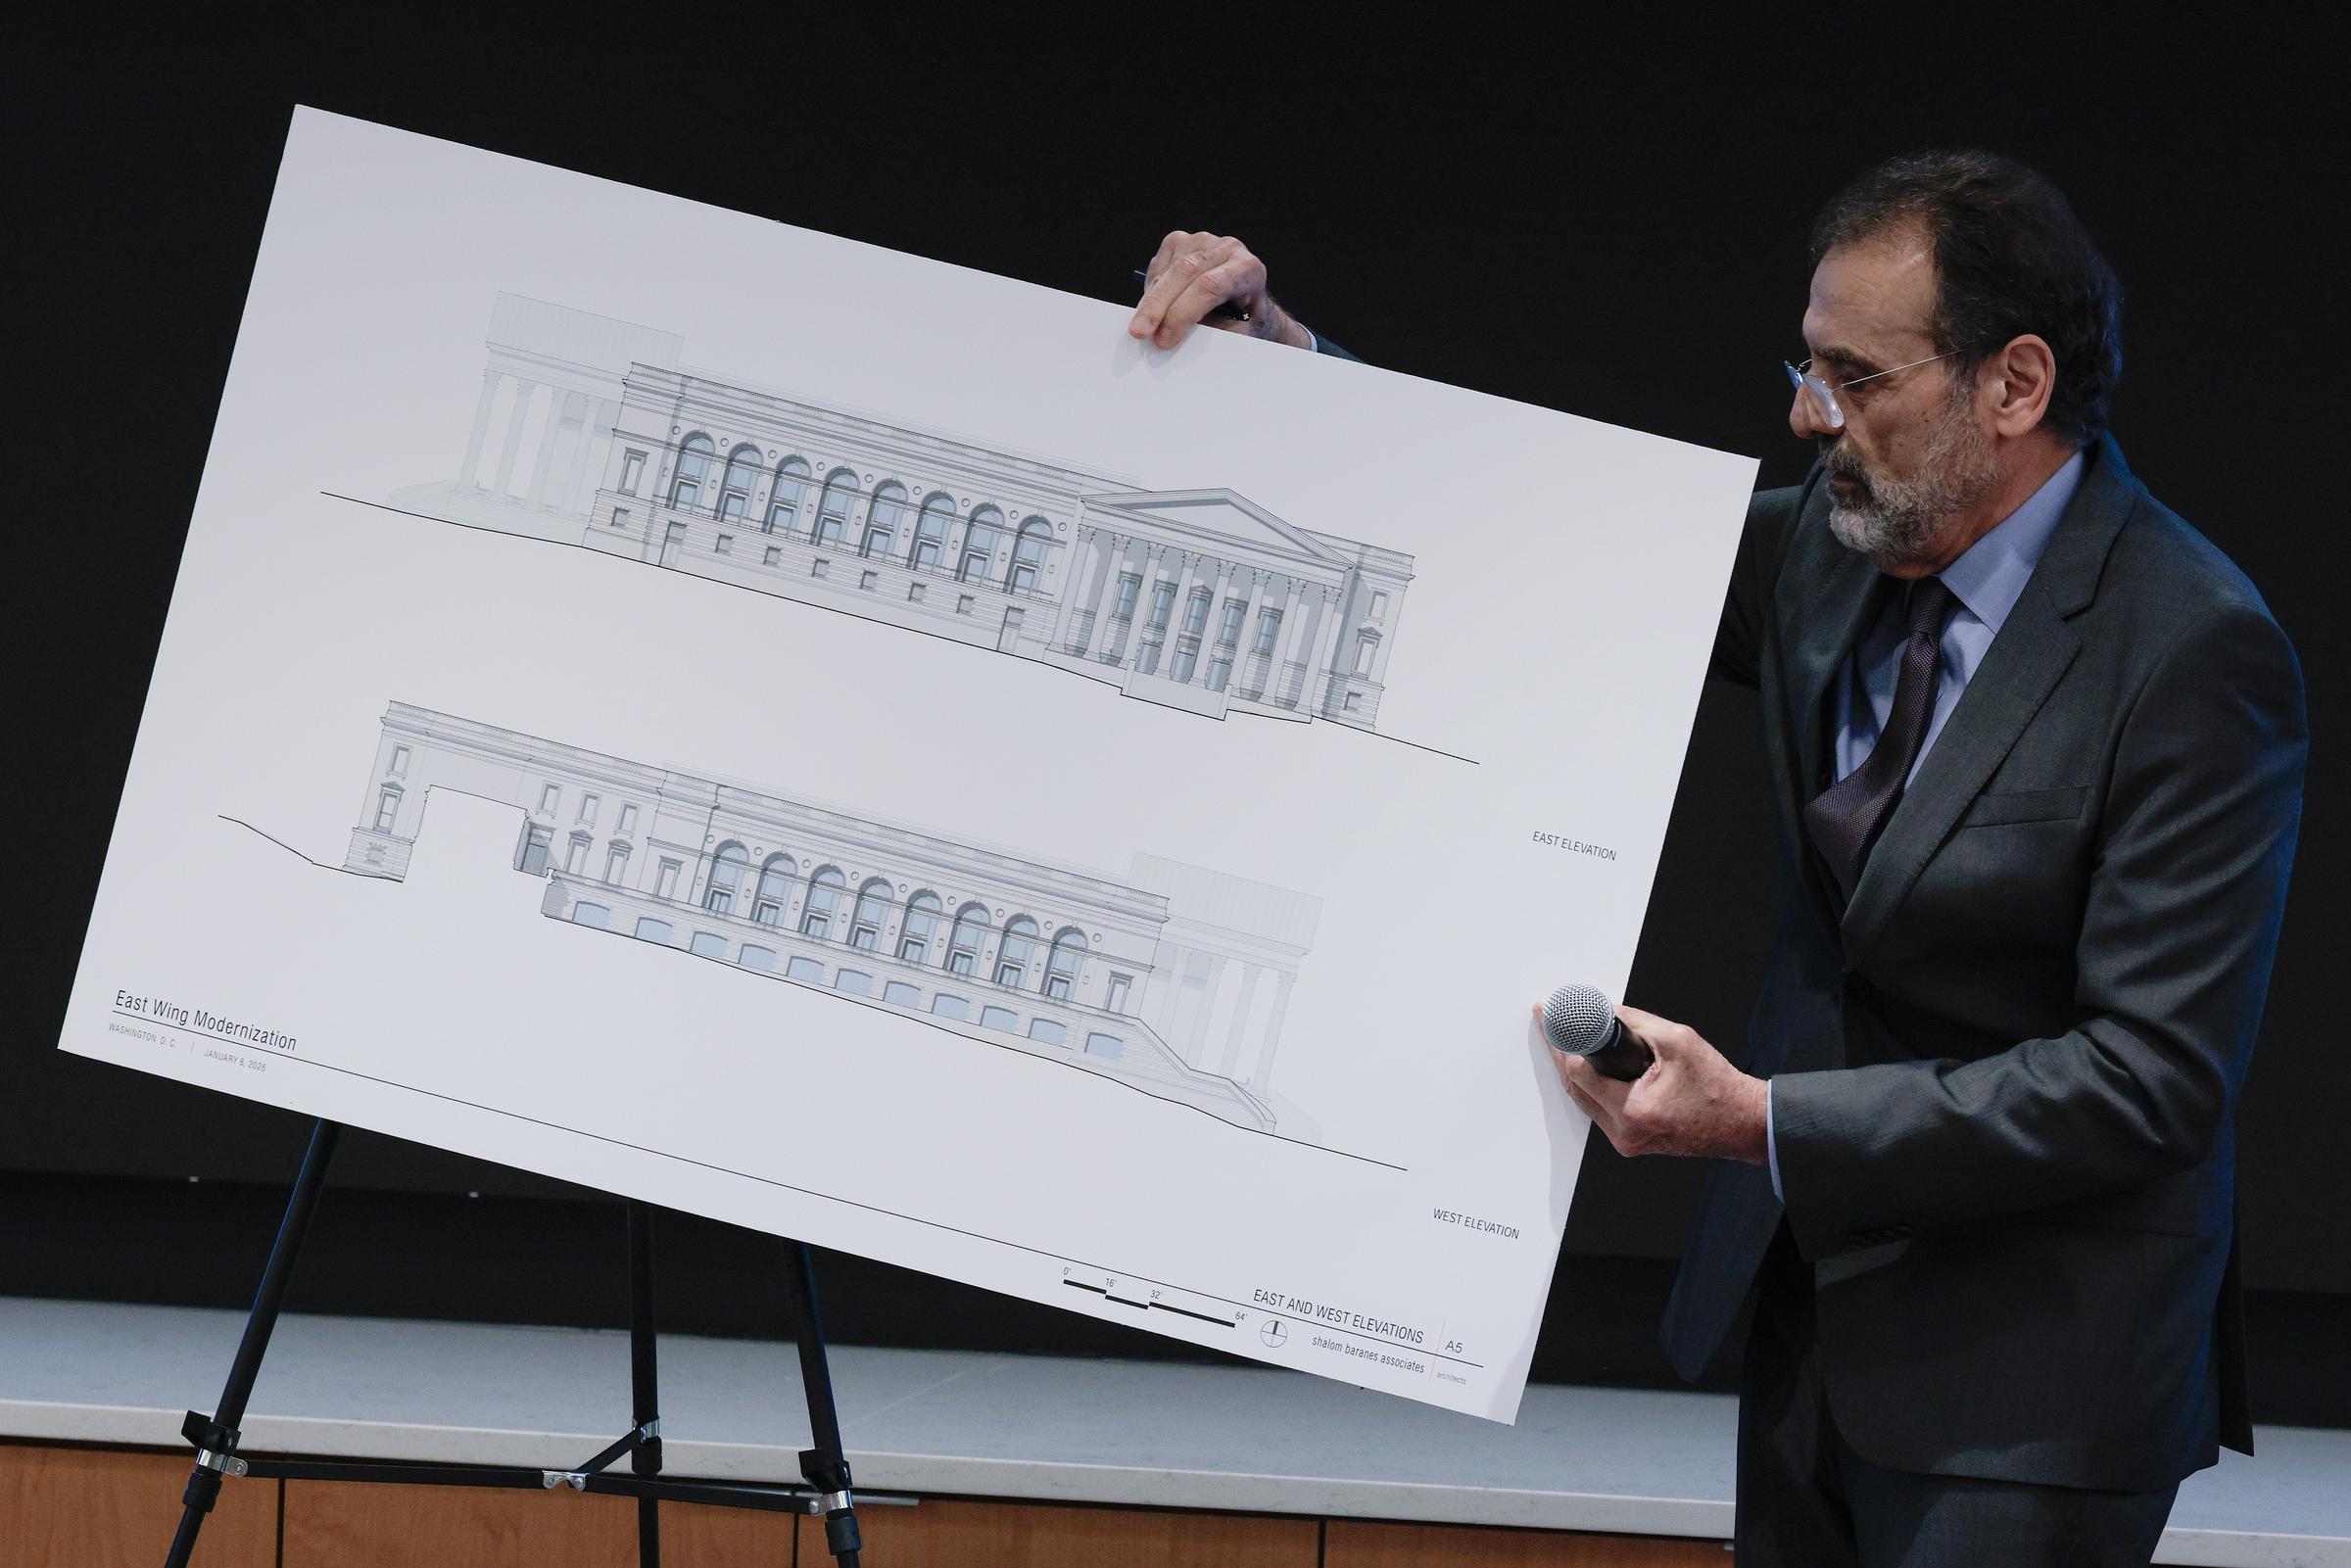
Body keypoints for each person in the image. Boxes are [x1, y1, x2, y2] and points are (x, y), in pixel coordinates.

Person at [1127, 152, 2307, 1566]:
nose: (1812, 417)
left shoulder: (2188, 646)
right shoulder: (1836, 544)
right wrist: (1294, 370)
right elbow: (1554, 540)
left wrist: (1767, 1122)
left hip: (2037, 1388)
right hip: (1814, 1323)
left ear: (2016, 386)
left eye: (1859, 380)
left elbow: (2150, 1079)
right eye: (1806, 369)